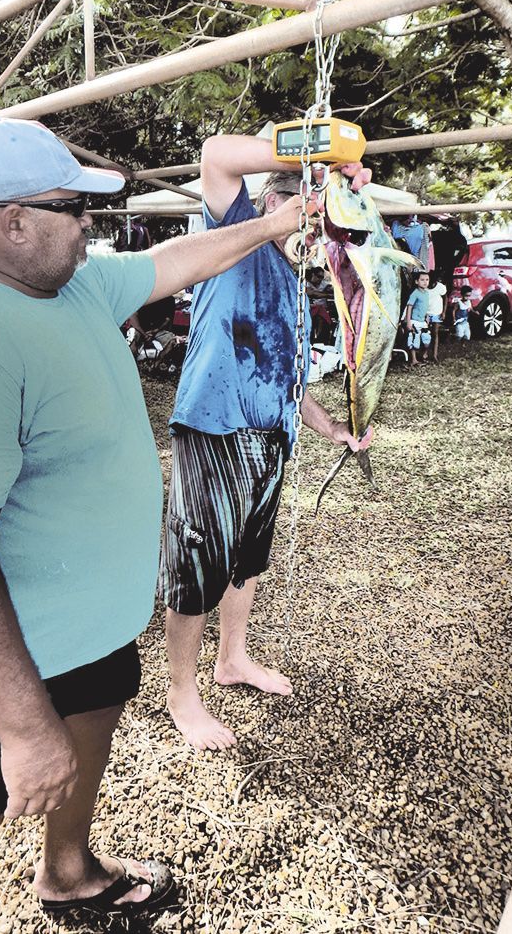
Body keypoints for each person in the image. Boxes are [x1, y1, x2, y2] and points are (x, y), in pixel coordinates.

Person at [0, 116, 313, 918]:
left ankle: (69, 872)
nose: (92, 225)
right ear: (11, 220)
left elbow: (173, 261)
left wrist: (274, 223)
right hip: (8, 659)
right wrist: (22, 727)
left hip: (88, 632)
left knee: (92, 730)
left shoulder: (70, 281)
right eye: (74, 208)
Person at [158, 136, 373, 752]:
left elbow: (289, 378)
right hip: (214, 427)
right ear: (282, 202)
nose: (317, 238)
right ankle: (181, 693)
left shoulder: (295, 280)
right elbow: (214, 155)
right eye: (314, 219)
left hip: (271, 439)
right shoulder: (237, 234)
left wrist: (331, 426)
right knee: (196, 567)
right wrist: (315, 158)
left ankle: (232, 659)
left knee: (247, 560)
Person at [404, 270, 431, 366]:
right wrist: (408, 321)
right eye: (422, 280)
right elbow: (409, 306)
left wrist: (427, 315)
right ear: (416, 282)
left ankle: (423, 355)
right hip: (414, 320)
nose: (425, 282)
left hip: (422, 320)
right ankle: (414, 359)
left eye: (427, 280)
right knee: (414, 339)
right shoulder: (415, 293)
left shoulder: (427, 293)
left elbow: (425, 306)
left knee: (426, 339)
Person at [426, 270, 447, 363]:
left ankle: (434, 355)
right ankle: (425, 352)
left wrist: (444, 312)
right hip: (426, 313)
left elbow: (445, 298)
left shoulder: (440, 287)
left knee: (435, 333)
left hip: (436, 312)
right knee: (425, 333)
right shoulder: (424, 286)